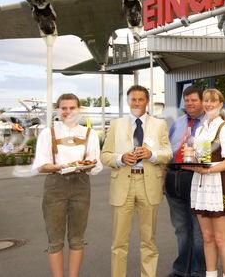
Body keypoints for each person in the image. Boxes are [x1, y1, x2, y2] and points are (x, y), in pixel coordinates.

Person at [101, 85, 173, 277]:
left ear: (147, 101)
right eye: (133, 99)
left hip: (148, 184)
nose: (137, 103)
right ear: (128, 101)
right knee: (119, 241)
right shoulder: (116, 124)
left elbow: (168, 154)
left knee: (148, 240)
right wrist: (120, 158)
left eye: (141, 99)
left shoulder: (159, 125)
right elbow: (105, 155)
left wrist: (151, 154)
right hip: (122, 184)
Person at [31, 93, 103, 277]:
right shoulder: (48, 133)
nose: (68, 111)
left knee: (77, 238)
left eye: (72, 108)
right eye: (64, 108)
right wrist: (58, 166)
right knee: (55, 238)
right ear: (58, 110)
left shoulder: (89, 133)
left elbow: (94, 164)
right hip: (56, 185)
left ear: (79, 110)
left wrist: (86, 165)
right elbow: (41, 165)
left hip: (80, 185)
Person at [188, 88, 225, 277]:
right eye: (206, 100)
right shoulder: (200, 129)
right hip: (201, 185)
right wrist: (190, 160)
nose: (209, 104)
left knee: (221, 239)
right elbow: (199, 158)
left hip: (220, 185)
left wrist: (206, 169)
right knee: (207, 238)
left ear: (221, 104)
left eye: (213, 101)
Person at [165, 85, 206, 277]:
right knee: (181, 229)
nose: (189, 103)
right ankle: (181, 269)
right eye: (186, 100)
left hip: (198, 179)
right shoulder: (178, 123)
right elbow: (168, 152)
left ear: (202, 101)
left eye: (194, 100)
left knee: (199, 232)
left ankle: (199, 271)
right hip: (174, 179)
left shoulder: (210, 123)